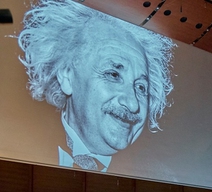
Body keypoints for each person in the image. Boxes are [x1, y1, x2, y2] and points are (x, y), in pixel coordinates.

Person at [17, 0, 175, 172]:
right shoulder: (16, 143)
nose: (133, 104)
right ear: (67, 76)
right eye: (114, 75)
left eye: (141, 88)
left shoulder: (159, 174)